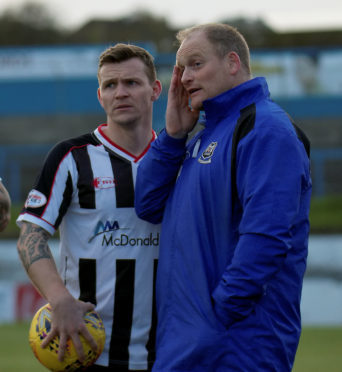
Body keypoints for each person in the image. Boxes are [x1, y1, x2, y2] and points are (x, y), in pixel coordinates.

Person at [135, 23, 312, 371]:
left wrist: (218, 315)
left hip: (235, 347)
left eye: (196, 64)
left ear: (233, 62)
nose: (184, 78)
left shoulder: (266, 130)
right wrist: (172, 137)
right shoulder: (202, 133)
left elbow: (267, 237)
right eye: (181, 69)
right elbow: (148, 205)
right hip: (186, 344)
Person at [17, 43, 162, 371]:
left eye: (132, 83)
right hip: (86, 347)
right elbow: (31, 234)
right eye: (110, 85)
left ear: (155, 90)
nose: (120, 92)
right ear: (100, 96)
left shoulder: (177, 159)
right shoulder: (71, 157)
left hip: (169, 352)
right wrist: (59, 298)